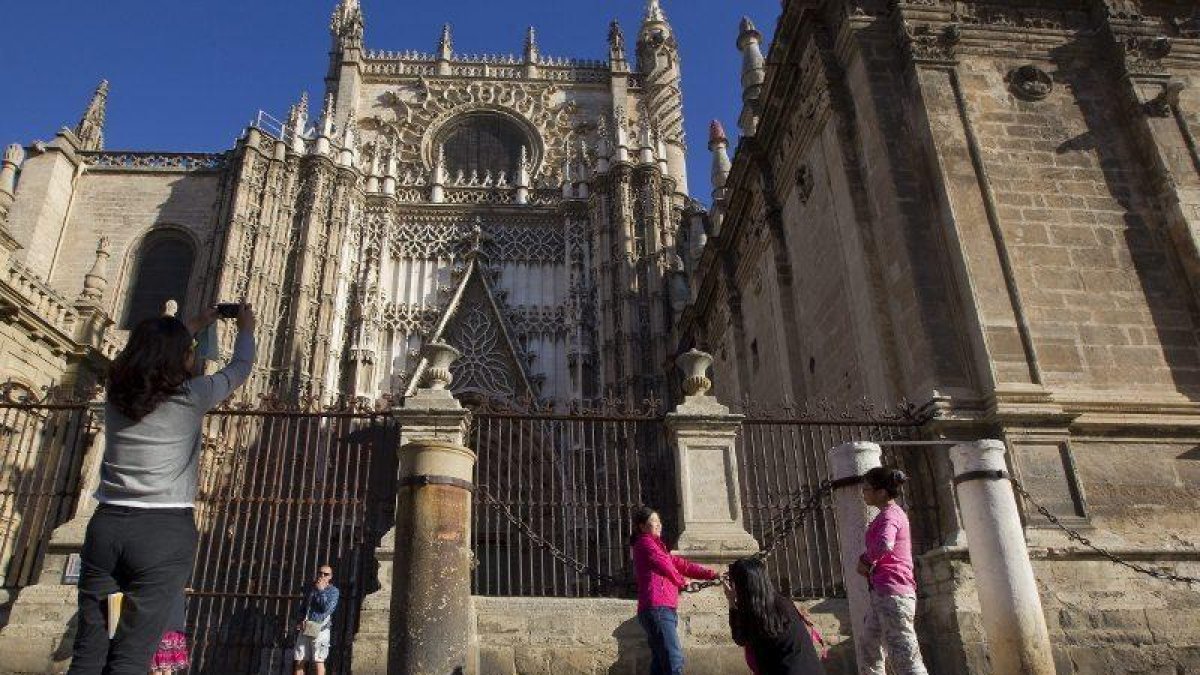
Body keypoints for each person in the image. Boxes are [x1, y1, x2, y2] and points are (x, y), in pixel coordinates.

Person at [68, 304, 256, 675]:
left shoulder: (116, 392)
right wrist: (245, 329)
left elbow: (143, 354)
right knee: (132, 653)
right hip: (159, 540)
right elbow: (240, 368)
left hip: (107, 534)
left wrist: (194, 324)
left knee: (92, 647)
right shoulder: (191, 397)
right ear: (182, 358)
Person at [628, 506, 718, 675]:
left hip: (661, 608)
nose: (659, 524)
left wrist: (712, 574)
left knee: (660, 663)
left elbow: (683, 565)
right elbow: (666, 566)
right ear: (641, 526)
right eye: (654, 521)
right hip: (658, 607)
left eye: (659, 521)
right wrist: (682, 582)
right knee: (673, 658)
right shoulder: (645, 543)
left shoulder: (657, 547)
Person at [856, 467, 928, 675]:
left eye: (867, 489)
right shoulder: (886, 515)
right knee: (869, 646)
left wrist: (866, 561)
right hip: (882, 592)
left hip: (893, 591)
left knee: (903, 652)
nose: (864, 493)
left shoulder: (890, 516)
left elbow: (885, 543)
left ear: (882, 492)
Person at [723, 557, 825, 674]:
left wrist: (731, 601)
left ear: (743, 586)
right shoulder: (783, 603)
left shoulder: (756, 614)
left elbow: (739, 638)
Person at [293, 564, 340, 675]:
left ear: (330, 576)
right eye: (320, 573)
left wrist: (321, 591)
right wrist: (300, 620)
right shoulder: (311, 588)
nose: (322, 576)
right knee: (299, 660)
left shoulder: (333, 591)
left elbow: (326, 609)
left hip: (321, 630)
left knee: (319, 661)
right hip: (305, 628)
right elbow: (304, 607)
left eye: (326, 574)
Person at [148, 593, 189, 674]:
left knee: (156, 668)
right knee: (167, 666)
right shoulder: (178, 589)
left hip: (160, 630)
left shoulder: (159, 587)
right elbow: (185, 606)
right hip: (175, 632)